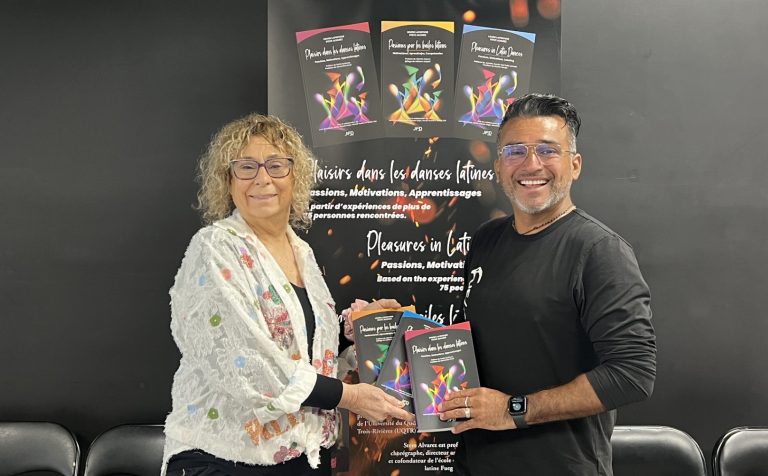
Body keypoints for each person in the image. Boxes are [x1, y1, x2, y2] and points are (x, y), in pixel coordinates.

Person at [162, 114, 413, 476]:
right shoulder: (214, 248)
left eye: (276, 165)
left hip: (300, 457)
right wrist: (352, 397)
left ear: (295, 178)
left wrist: (358, 332)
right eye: (246, 167)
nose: (262, 178)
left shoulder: (303, 254)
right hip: (227, 458)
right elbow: (245, 362)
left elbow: (304, 360)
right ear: (227, 181)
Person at [439, 94, 657, 475]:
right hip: (476, 464)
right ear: (498, 166)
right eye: (515, 151)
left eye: (547, 150)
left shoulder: (598, 251)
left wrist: (513, 410)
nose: (531, 164)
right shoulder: (485, 241)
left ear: (575, 165)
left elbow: (633, 373)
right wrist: (397, 325)